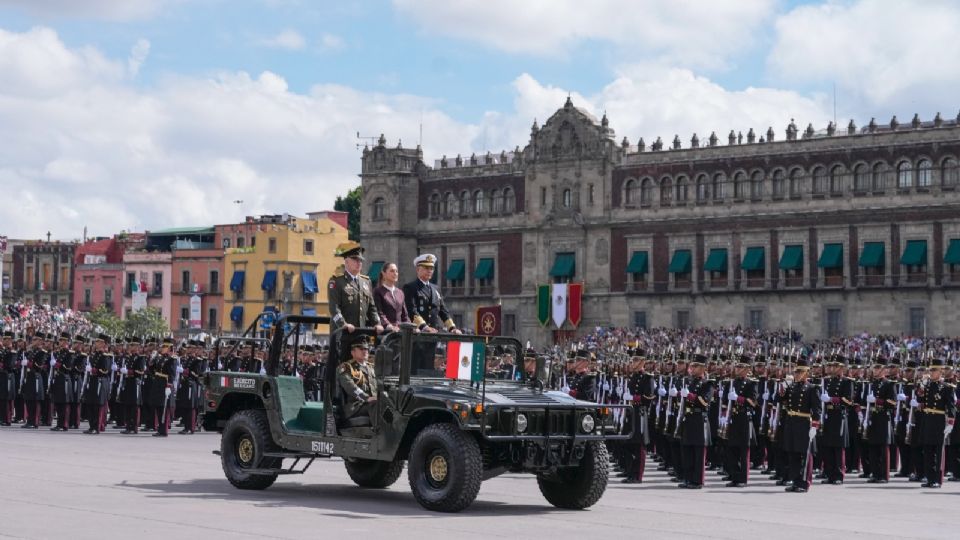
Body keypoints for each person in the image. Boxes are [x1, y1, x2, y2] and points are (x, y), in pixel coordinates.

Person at [402, 254, 460, 372]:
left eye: (431, 268)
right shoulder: (410, 287)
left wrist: (452, 328)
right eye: (426, 268)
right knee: (415, 368)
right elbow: (412, 310)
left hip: (432, 336)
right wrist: (424, 327)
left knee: (428, 368)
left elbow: (443, 310)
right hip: (417, 336)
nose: (429, 271)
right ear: (418, 269)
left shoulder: (435, 289)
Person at [327, 241, 383, 356]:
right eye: (355, 260)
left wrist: (377, 323)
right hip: (343, 335)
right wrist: (343, 324)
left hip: (360, 334)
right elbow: (334, 308)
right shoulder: (337, 281)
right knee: (342, 368)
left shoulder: (366, 281)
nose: (359, 263)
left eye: (360, 260)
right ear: (347, 261)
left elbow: (371, 307)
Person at [781, 362, 822, 493]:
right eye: (796, 372)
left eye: (799, 372)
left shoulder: (812, 388)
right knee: (793, 454)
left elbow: (817, 410)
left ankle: (804, 483)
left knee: (805, 455)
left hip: (804, 424)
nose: (796, 375)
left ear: (806, 373)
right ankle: (795, 481)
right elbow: (781, 400)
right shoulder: (792, 387)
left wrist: (814, 426)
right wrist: (782, 389)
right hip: (792, 422)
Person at [917, 360, 956, 488]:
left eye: (934, 370)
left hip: (939, 421)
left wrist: (950, 423)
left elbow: (951, 407)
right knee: (927, 451)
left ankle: (937, 480)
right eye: (931, 370)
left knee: (938, 452)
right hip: (927, 420)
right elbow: (920, 401)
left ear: (940, 371)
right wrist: (921, 387)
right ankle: (929, 478)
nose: (931, 372)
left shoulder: (946, 387)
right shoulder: (927, 386)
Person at [336, 337, 378, 429]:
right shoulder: (346, 368)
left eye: (366, 349)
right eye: (361, 349)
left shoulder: (372, 367)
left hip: (371, 402)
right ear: (353, 352)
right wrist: (366, 398)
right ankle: (380, 434)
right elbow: (350, 387)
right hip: (356, 406)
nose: (365, 351)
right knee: (376, 405)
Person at [373, 262, 410, 332]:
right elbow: (379, 313)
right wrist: (388, 325)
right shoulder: (378, 291)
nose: (395, 273)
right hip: (386, 332)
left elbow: (405, 316)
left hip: (400, 331)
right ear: (384, 273)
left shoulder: (400, 293)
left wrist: (411, 327)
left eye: (396, 271)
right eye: (392, 271)